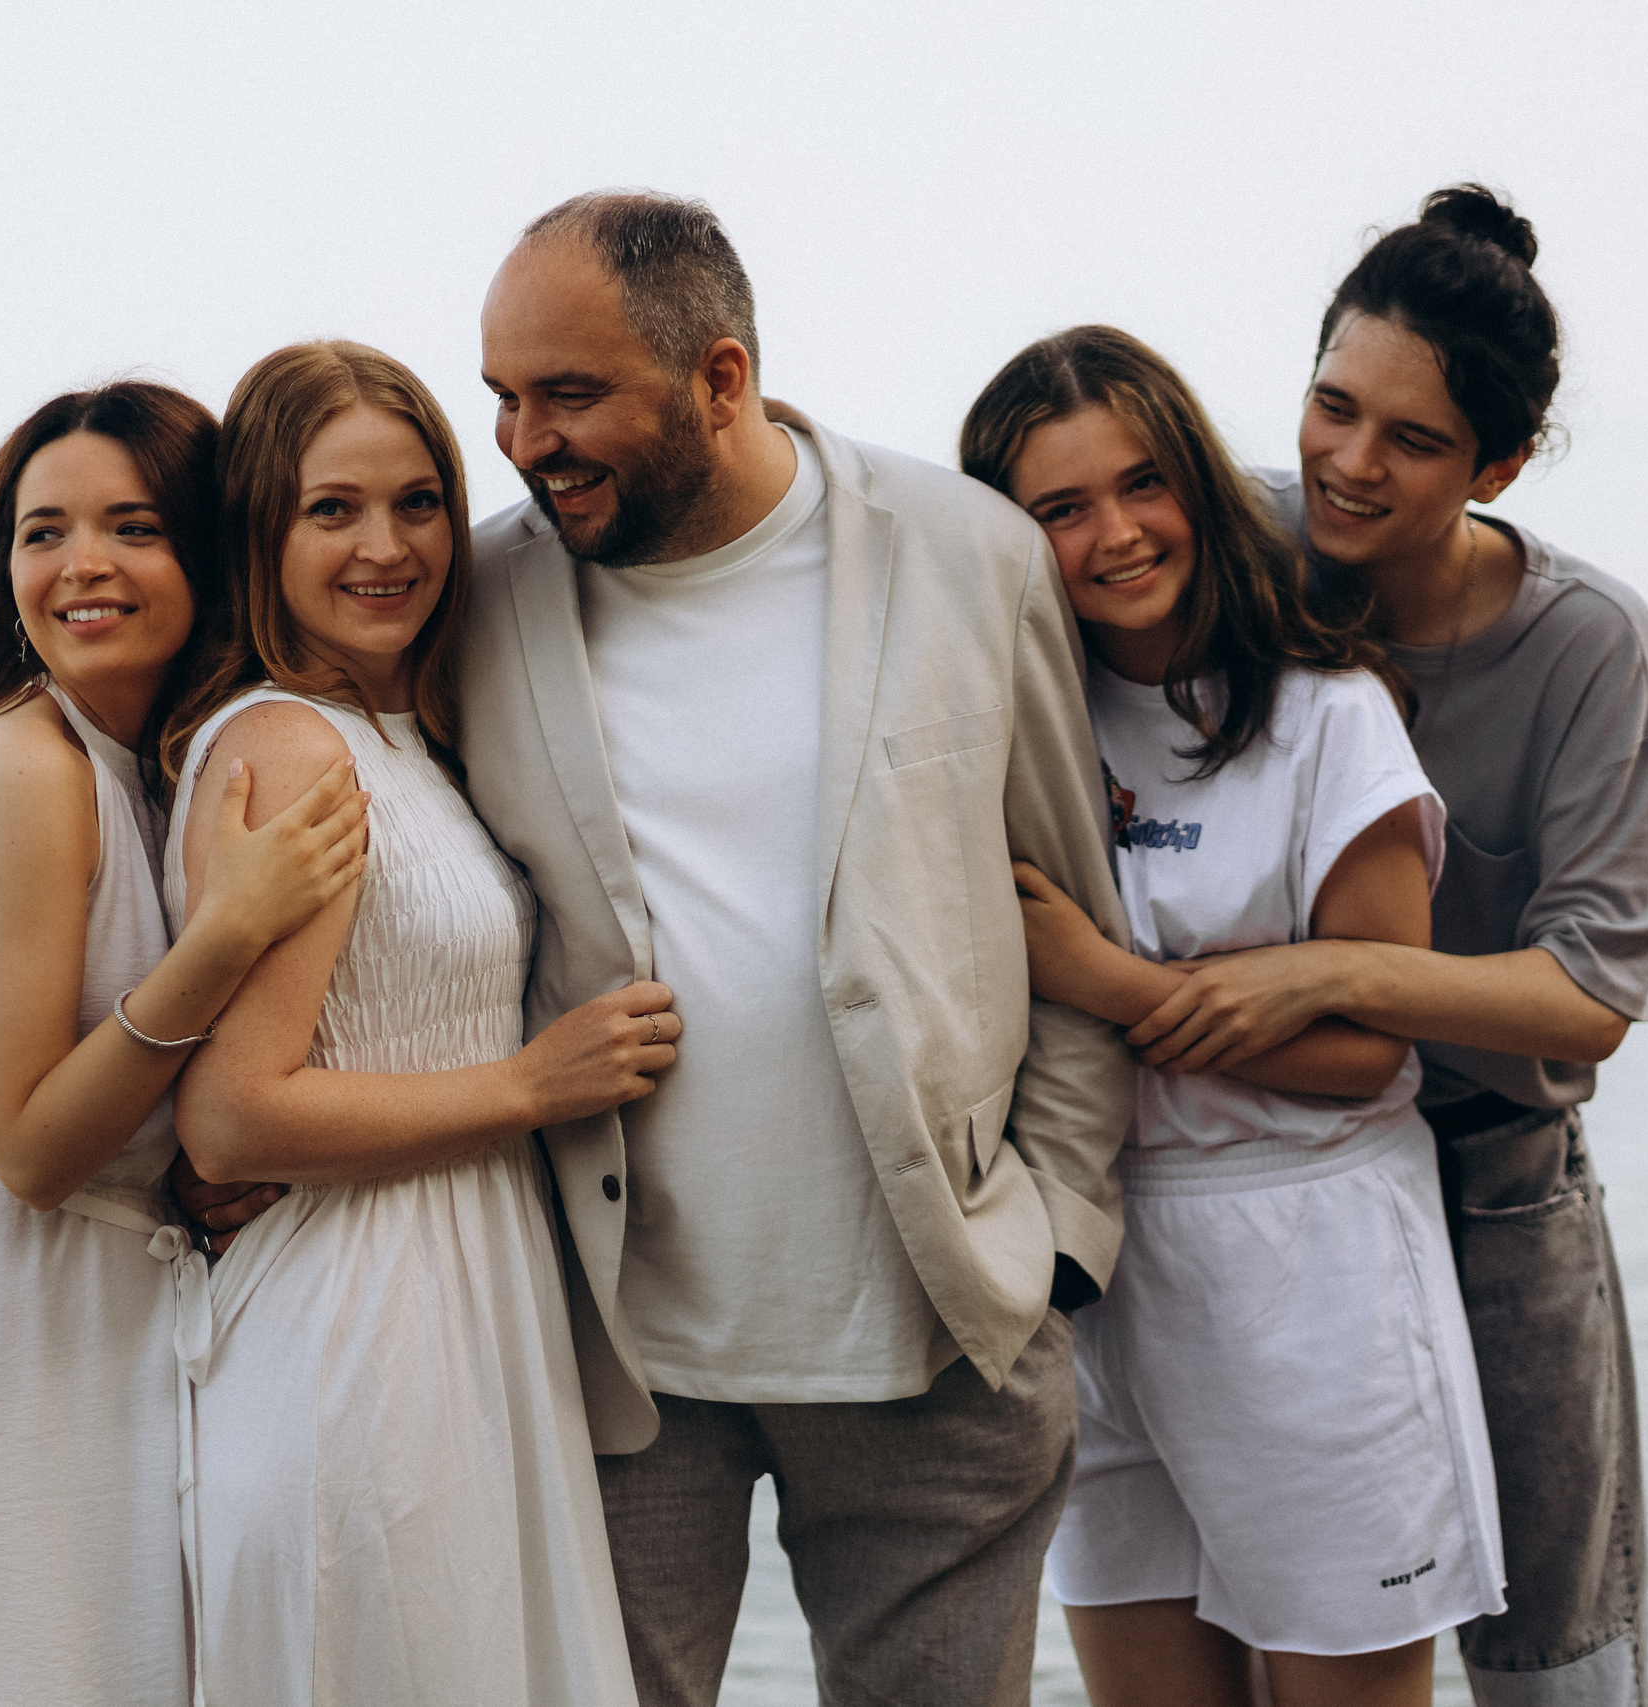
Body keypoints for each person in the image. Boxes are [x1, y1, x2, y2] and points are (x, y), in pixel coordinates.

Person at [453, 190, 1137, 1707]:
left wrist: (1061, 1242)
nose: (522, 440)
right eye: (502, 396)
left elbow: (1067, 909)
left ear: (721, 377)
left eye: (570, 394)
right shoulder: (483, 594)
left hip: (942, 1327)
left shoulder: (969, 555)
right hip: (619, 1354)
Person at [1131, 186, 1648, 1705]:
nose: (1349, 465)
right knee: (1262, 1618)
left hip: (1495, 1188)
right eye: (1332, 406)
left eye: (1415, 441)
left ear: (1498, 463)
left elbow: (1588, 994)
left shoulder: (1585, 644)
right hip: (1268, 1186)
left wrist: (1335, 971)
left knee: (1555, 1654)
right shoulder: (1231, 552)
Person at [0, 382, 368, 1707]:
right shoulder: (27, 773)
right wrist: (228, 934)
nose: (81, 565)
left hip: (108, 1333)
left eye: (132, 527)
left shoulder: (154, 765)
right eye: (42, 533)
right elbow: (34, 1150)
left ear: (208, 558)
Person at [963, 325, 1505, 1707]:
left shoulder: (1330, 718)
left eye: (1142, 484)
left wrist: (1111, 984)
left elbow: (1368, 1050)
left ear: (1199, 487)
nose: (1116, 534)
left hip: (1312, 1267)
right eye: (1061, 508)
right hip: (1098, 1271)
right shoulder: (1023, 730)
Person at [159, 340, 673, 1707]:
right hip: (358, 1336)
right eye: (333, 510)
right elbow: (232, 1110)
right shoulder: (292, 750)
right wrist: (530, 1086)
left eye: (419, 503)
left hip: (455, 1307)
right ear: (261, 532)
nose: (386, 547)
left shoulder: (398, 733)